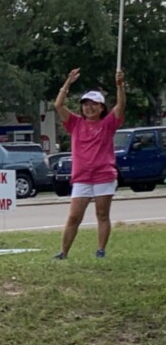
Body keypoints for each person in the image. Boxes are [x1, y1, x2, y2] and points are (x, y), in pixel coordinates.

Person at [53, 68, 125, 260]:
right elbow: (58, 105)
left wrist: (120, 85)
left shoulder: (108, 123)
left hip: (103, 175)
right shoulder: (75, 123)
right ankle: (63, 252)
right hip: (82, 178)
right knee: (74, 217)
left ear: (102, 108)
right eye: (85, 104)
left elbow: (120, 105)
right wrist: (68, 83)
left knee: (102, 214)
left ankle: (100, 250)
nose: (89, 107)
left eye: (94, 104)